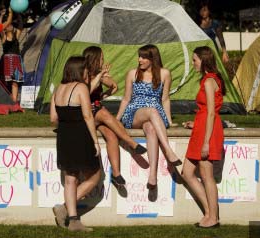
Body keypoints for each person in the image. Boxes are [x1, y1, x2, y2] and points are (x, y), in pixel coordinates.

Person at [116, 44, 183, 202]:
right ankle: (168, 151)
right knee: (152, 111)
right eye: (139, 56)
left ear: (153, 58)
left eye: (144, 57)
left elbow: (165, 99)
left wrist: (170, 120)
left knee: (151, 129)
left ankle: (152, 176)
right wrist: (117, 119)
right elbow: (126, 98)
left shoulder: (164, 73)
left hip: (155, 114)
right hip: (135, 112)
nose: (140, 60)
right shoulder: (132, 73)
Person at [50, 56, 106, 232]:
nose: (88, 73)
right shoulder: (81, 87)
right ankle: (65, 209)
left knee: (70, 178)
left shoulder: (58, 88)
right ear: (80, 70)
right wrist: (95, 141)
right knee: (95, 176)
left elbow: (53, 119)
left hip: (64, 136)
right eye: (86, 71)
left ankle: (73, 219)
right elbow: (88, 115)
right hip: (80, 135)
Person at [83, 46, 147, 189]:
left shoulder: (98, 73)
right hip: (85, 115)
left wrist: (106, 80)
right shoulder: (83, 73)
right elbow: (87, 91)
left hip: (96, 111)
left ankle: (116, 175)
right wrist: (99, 77)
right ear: (93, 59)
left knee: (111, 135)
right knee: (103, 112)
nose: (103, 61)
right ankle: (131, 142)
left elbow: (114, 87)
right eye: (101, 58)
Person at [182, 46, 225, 228]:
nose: (193, 64)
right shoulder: (209, 80)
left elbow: (211, 114)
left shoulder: (209, 81)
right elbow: (206, 111)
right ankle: (209, 212)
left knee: (207, 176)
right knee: (187, 173)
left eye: (195, 60)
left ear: (203, 60)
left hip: (208, 133)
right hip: (201, 128)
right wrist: (195, 123)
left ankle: (213, 218)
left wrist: (206, 142)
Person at [1, 13, 24, 102]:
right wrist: (2, 16)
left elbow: (21, 25)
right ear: (5, 28)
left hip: (16, 60)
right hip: (7, 60)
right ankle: (7, 99)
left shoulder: (16, 36)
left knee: (15, 81)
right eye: (8, 25)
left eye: (10, 24)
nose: (10, 25)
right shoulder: (3, 37)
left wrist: (18, 14)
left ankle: (14, 100)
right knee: (7, 81)